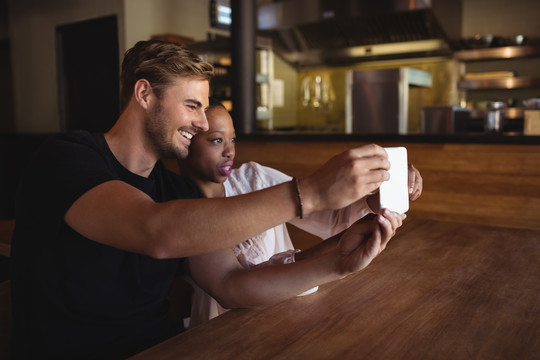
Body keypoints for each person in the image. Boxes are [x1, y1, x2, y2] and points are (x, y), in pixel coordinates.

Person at [12, 39, 399, 359]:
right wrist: (308, 193)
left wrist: (337, 264)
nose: (201, 122)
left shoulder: (177, 191)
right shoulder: (67, 158)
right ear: (144, 93)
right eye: (192, 105)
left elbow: (233, 286)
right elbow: (153, 230)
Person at [177, 98, 422, 327]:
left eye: (233, 139)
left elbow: (330, 220)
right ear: (186, 141)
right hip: (223, 330)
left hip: (289, 314)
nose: (230, 151)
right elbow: (232, 287)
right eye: (217, 140)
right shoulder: (180, 215)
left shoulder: (254, 178)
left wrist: (378, 193)